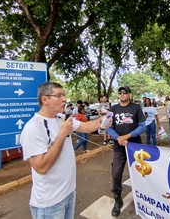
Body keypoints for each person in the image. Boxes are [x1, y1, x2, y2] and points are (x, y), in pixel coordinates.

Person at [20, 82, 111, 219]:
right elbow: (41, 167)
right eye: (59, 95)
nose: (64, 99)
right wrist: (62, 134)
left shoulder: (62, 118)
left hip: (69, 193)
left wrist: (101, 121)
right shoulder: (33, 127)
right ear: (45, 99)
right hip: (50, 203)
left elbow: (86, 127)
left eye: (64, 95)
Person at [106, 85, 146, 217]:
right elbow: (108, 127)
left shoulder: (136, 108)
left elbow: (142, 127)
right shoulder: (113, 109)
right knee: (116, 174)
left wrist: (127, 136)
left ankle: (141, 199)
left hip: (134, 147)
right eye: (120, 92)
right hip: (119, 149)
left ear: (130, 94)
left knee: (139, 174)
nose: (122, 94)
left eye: (125, 92)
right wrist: (118, 138)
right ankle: (118, 200)